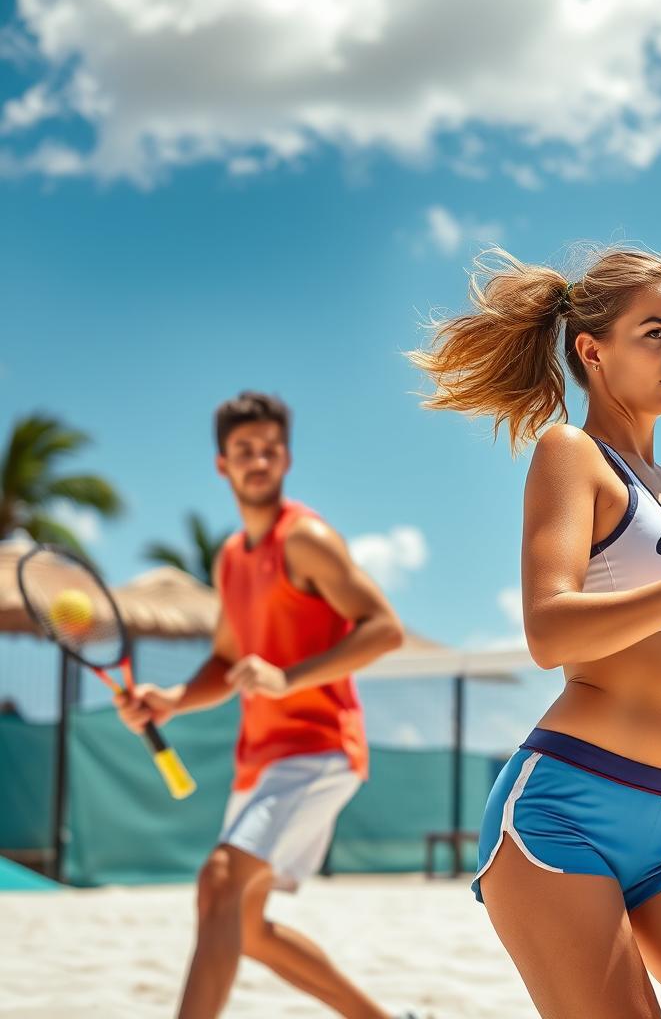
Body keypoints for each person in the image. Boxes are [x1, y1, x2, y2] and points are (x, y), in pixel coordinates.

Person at [411, 248, 661, 1018]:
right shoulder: (572, 455)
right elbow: (549, 631)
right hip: (564, 812)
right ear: (592, 351)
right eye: (657, 333)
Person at [117, 391, 417, 1019]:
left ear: (286, 457)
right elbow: (227, 660)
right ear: (222, 465)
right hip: (262, 756)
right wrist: (172, 699)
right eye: (244, 451)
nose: (259, 460)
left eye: (270, 449)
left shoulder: (304, 539)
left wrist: (289, 678)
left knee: (219, 882)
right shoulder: (230, 558)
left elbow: (384, 628)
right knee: (245, 926)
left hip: (320, 747)